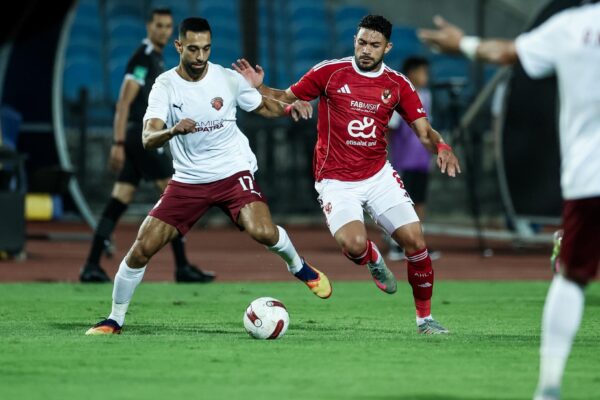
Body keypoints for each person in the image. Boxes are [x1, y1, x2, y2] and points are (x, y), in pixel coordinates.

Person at [85, 17, 331, 335]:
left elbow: (264, 106)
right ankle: (114, 319)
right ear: (179, 46)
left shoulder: (226, 78)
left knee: (262, 231)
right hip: (189, 180)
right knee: (142, 247)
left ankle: (299, 267)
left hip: (232, 171)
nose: (200, 56)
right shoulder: (165, 85)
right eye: (193, 49)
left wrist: (289, 106)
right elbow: (148, 138)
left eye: (206, 49)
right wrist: (172, 130)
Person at [233, 15, 461, 334]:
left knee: (415, 241)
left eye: (374, 45)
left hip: (378, 175)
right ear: (355, 40)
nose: (366, 50)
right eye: (362, 42)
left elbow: (424, 131)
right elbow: (284, 100)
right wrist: (260, 88)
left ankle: (425, 320)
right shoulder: (329, 72)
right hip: (336, 180)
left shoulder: (397, 84)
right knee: (354, 245)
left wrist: (442, 146)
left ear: (387, 48)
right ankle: (372, 258)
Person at [418, 5, 600, 399]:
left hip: (589, 176)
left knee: (572, 278)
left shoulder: (572, 25)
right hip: (589, 175)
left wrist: (462, 43)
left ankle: (548, 387)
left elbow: (505, 52)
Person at [79, 8, 214, 284]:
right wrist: (118, 142)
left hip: (137, 139)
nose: (163, 31)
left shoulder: (155, 58)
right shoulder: (141, 59)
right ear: (148, 27)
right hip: (141, 140)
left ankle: (91, 265)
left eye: (167, 26)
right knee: (175, 198)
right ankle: (182, 266)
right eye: (159, 26)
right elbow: (124, 102)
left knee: (119, 200)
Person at [386, 56, 440, 261]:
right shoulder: (400, 97)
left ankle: (418, 243)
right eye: (422, 72)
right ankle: (396, 245)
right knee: (402, 204)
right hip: (404, 161)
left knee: (420, 202)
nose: (426, 76)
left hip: (421, 160)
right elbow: (390, 128)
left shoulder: (426, 96)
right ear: (411, 73)